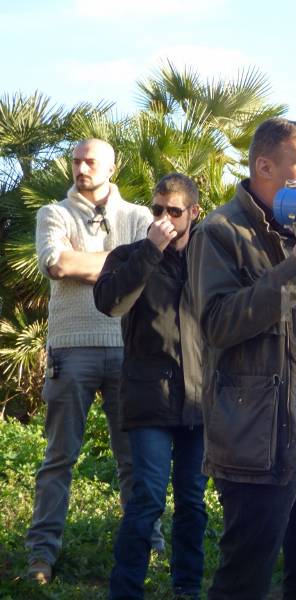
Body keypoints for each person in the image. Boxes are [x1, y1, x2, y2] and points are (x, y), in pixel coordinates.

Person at [187, 117, 296, 599]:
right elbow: (219, 322)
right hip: (259, 440)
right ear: (265, 166)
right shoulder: (220, 232)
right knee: (246, 578)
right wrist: (295, 269)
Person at [27, 139, 163, 584]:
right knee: (58, 458)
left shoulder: (140, 215)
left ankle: (152, 550)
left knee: (135, 459)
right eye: (76, 161)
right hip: (72, 347)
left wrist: (111, 263)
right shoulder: (54, 213)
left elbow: (157, 268)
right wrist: (132, 260)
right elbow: (58, 264)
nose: (81, 168)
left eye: (91, 161)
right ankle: (41, 557)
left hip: (130, 349)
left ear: (111, 167)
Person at [93, 173, 207, 599]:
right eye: (157, 209)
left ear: (193, 213)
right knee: (147, 500)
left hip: (199, 401)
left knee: (193, 502)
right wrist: (151, 252)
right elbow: (109, 303)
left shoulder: (208, 258)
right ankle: (126, 591)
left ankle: (187, 587)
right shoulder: (128, 256)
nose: (163, 218)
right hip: (148, 399)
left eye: (174, 211)